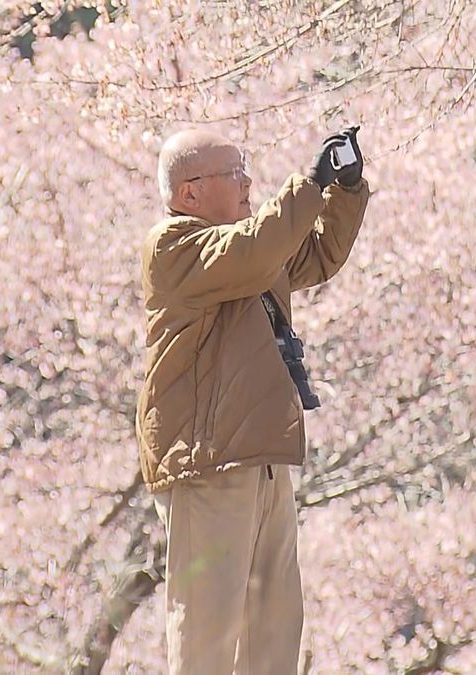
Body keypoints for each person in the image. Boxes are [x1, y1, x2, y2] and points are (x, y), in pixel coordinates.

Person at [136, 127, 370, 674]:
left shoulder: (250, 248)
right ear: (188, 193)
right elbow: (255, 248)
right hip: (206, 463)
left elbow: (318, 255)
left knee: (275, 627)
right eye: (232, 173)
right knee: (207, 634)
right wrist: (310, 184)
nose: (247, 182)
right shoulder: (172, 247)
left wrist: (345, 191)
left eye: (245, 168)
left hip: (262, 455)